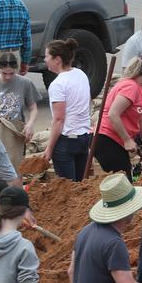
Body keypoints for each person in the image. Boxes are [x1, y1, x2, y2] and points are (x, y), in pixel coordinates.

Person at [94, 54, 142, 179]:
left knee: (125, 180)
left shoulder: (139, 90)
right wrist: (127, 140)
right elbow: (113, 114)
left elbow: (141, 120)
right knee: (124, 183)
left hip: (115, 141)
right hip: (107, 139)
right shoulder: (130, 87)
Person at [42, 38, 92, 181]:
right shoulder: (80, 74)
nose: (45, 60)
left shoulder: (58, 84)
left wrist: (49, 148)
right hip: (83, 137)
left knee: (67, 190)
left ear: (57, 59)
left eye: (47, 56)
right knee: (81, 186)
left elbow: (59, 119)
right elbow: (87, 102)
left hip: (66, 141)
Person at [0, 52, 39, 169]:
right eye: (4, 73)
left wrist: (30, 125)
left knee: (15, 169)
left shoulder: (25, 83)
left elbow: (33, 108)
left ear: (16, 69)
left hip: (13, 133)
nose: (8, 77)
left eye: (11, 73)